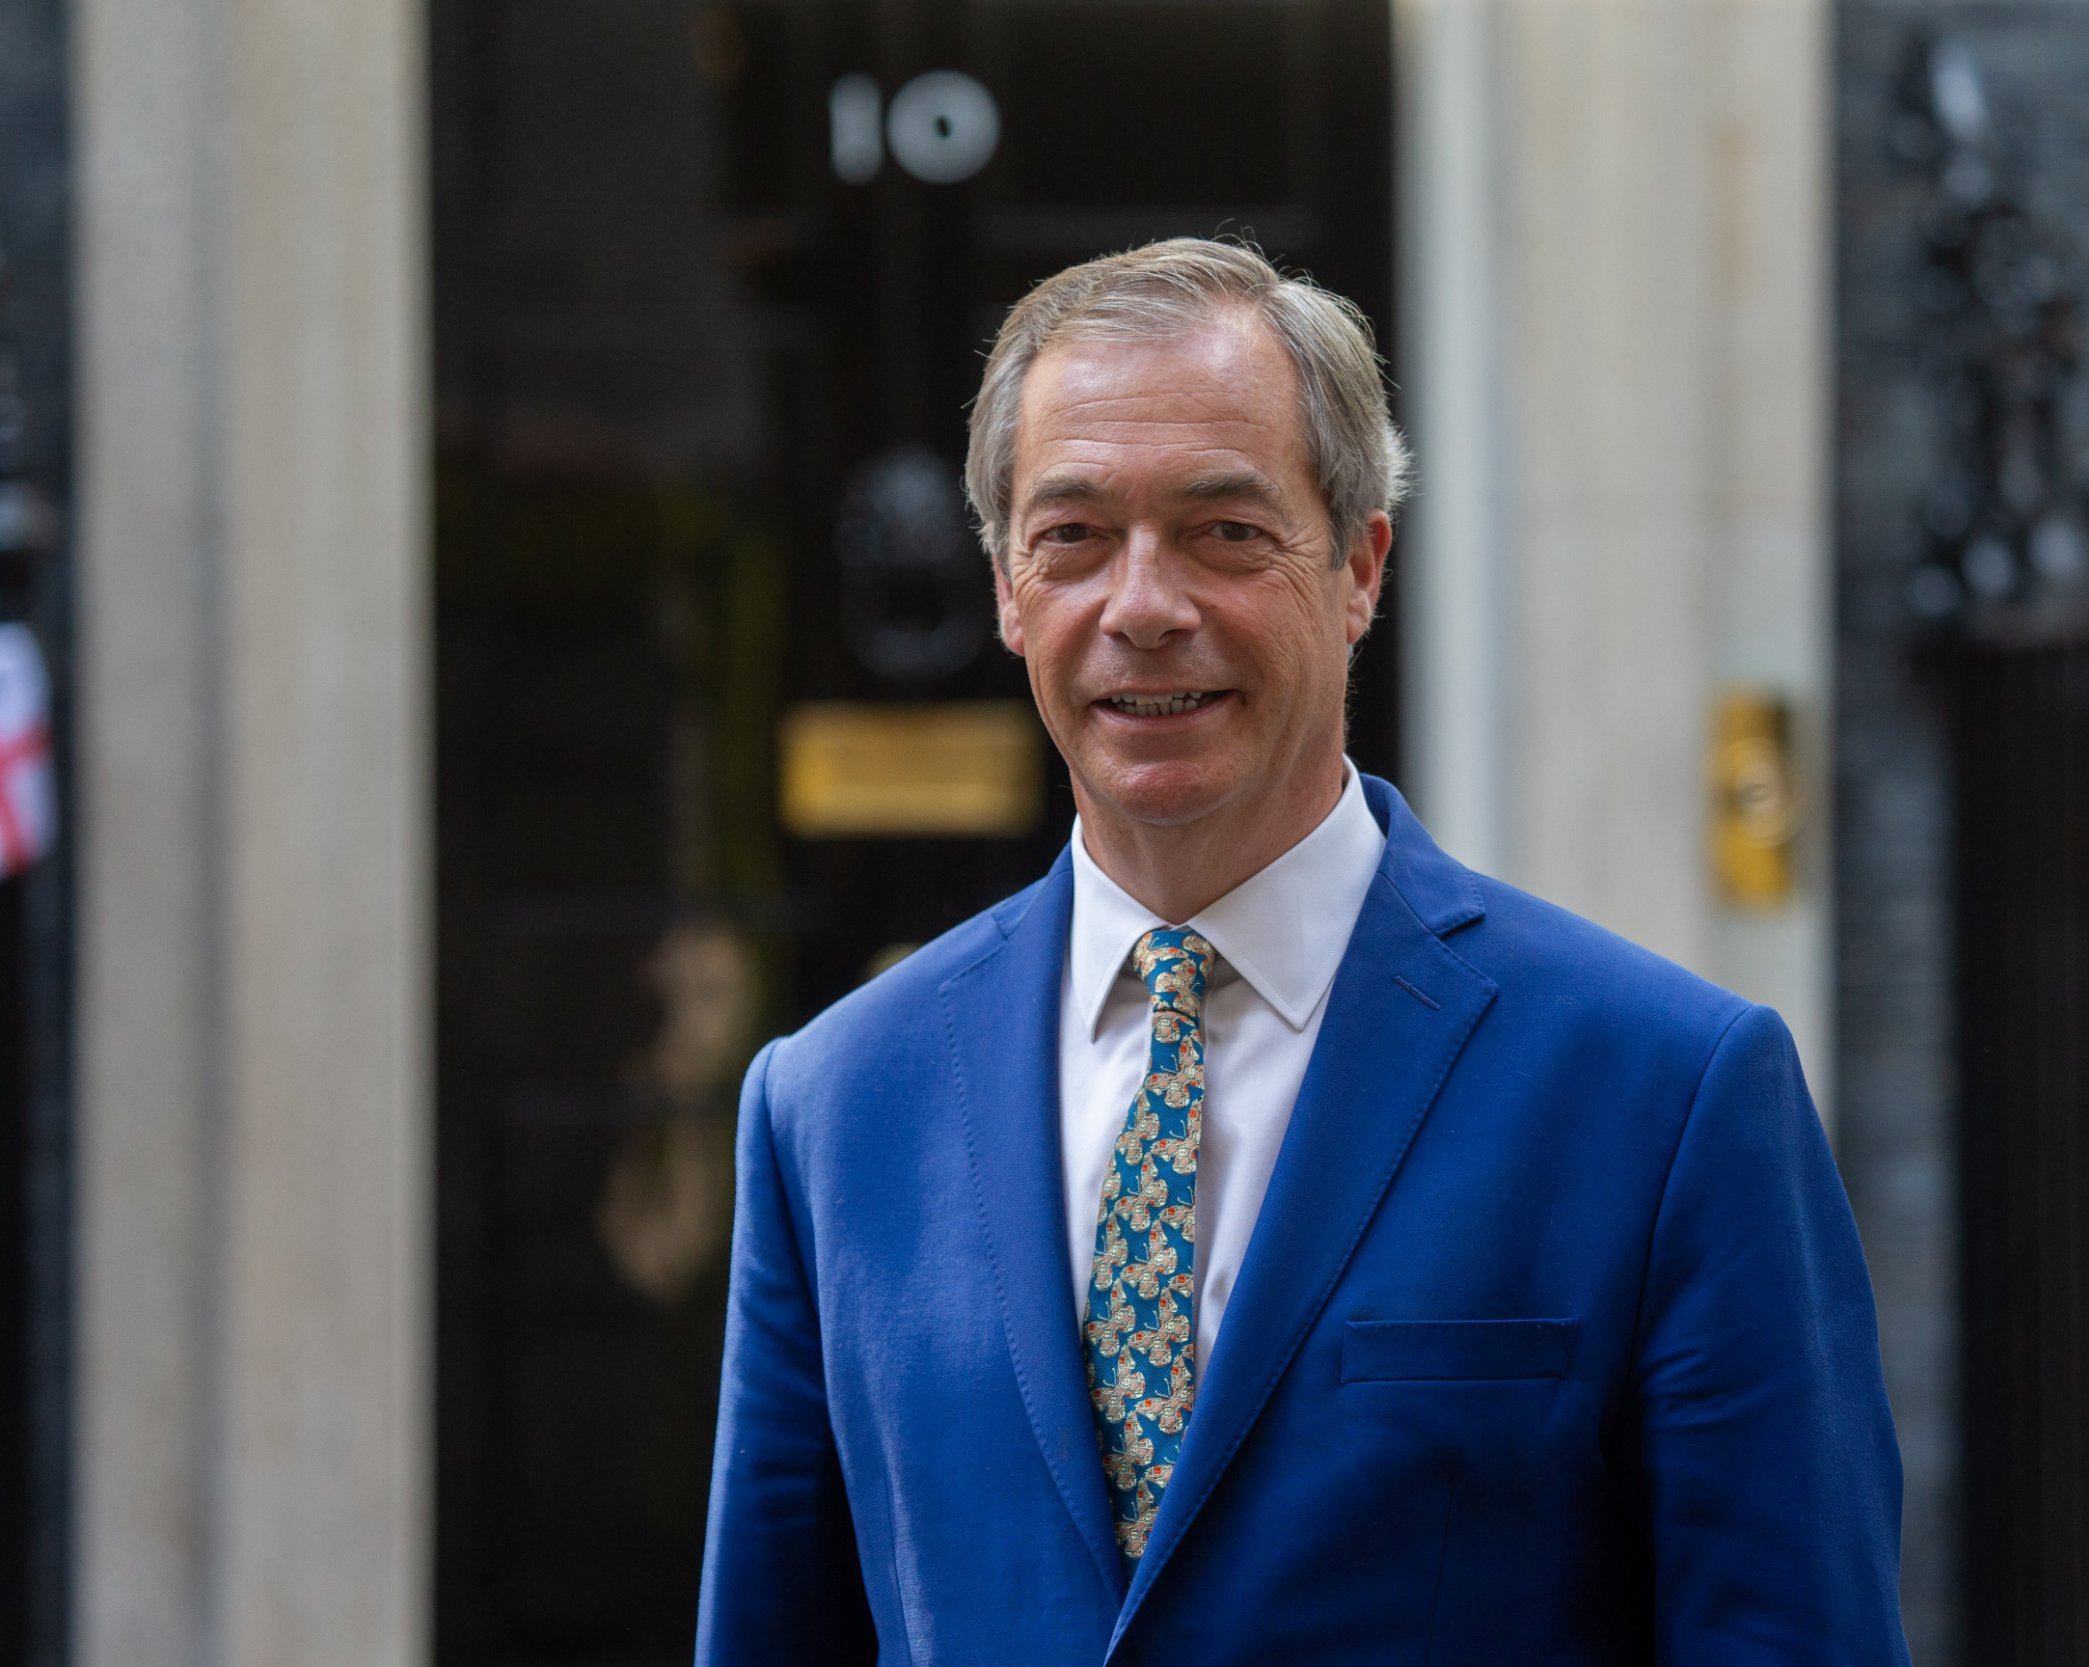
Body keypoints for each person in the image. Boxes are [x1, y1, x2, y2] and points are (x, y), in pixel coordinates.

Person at [695, 238, 1911, 1665]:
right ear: (1009, 590)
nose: (1142, 606)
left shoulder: (1666, 1096)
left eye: (1224, 531)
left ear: (1359, 569)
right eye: (1073, 535)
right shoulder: (833, 1107)